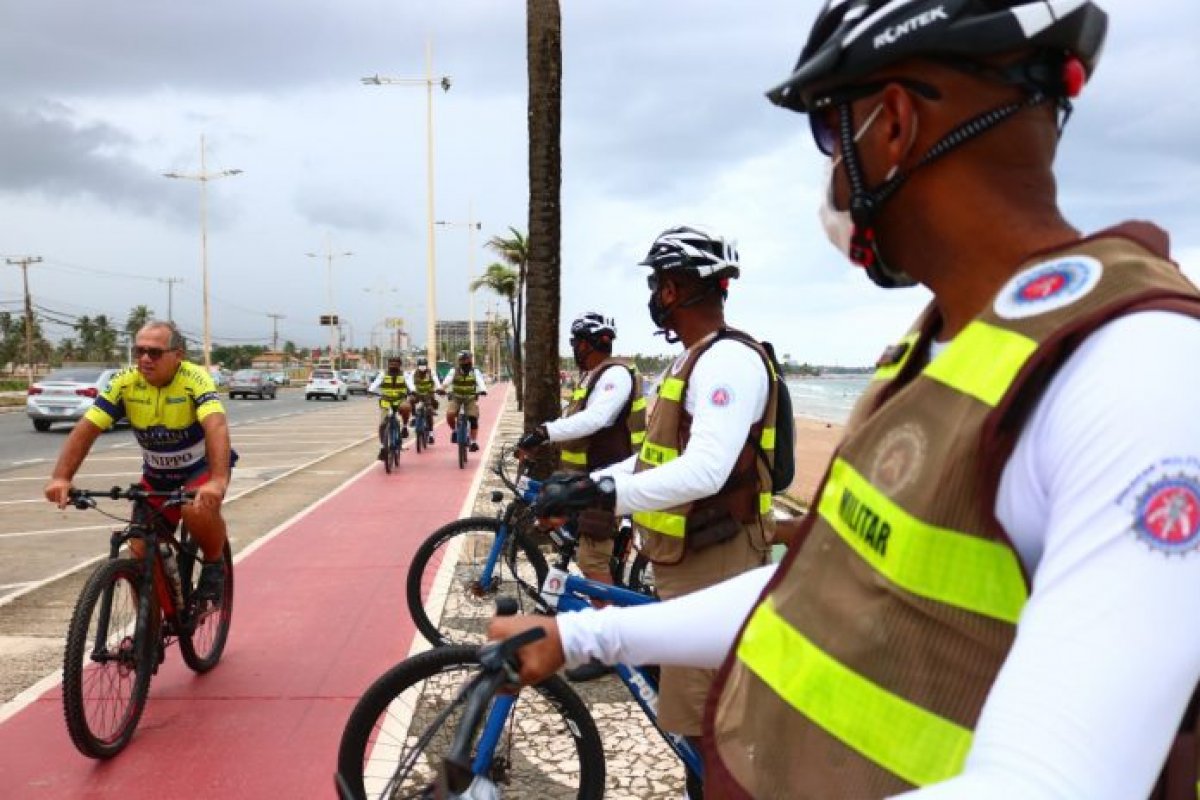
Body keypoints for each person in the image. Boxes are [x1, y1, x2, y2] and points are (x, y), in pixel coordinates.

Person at [490, 2, 1200, 798]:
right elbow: (824, 588)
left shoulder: (1137, 371)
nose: (830, 172)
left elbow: (1054, 781)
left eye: (831, 132)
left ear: (891, 124)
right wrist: (585, 634)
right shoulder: (940, 348)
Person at [519, 225, 783, 754]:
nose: (654, 296)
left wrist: (603, 497)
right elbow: (653, 457)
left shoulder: (728, 361)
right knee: (693, 721)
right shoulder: (690, 359)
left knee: (708, 729)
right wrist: (591, 482)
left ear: (672, 290)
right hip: (686, 553)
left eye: (658, 283)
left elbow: (707, 469)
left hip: (717, 555)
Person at [44, 321, 234, 607]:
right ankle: (149, 636)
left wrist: (217, 481)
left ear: (178, 355)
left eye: (155, 353)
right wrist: (61, 477)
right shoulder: (124, 383)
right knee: (140, 547)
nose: (145, 359)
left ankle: (213, 563)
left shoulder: (195, 379)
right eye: (140, 351)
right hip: (158, 473)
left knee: (194, 507)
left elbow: (216, 426)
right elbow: (87, 428)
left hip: (200, 467)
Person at [517, 312, 647, 589]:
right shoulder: (594, 377)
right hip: (586, 479)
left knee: (592, 561)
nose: (574, 348)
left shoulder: (615, 374)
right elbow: (575, 421)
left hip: (606, 479)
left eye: (575, 342)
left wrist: (544, 432)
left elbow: (596, 419)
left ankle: (611, 626)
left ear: (586, 344)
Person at [437, 349, 488, 452]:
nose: (464, 362)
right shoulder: (453, 371)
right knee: (450, 415)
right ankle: (455, 430)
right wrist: (442, 388)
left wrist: (483, 390)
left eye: (467, 359)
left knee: (473, 418)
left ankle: (473, 442)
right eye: (462, 360)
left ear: (470, 360)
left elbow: (480, 382)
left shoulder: (475, 371)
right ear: (459, 361)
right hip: (456, 397)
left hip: (470, 398)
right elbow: (447, 381)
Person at [368, 355, 410, 460]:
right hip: (386, 401)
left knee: (406, 408)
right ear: (388, 365)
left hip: (400, 400)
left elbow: (410, 384)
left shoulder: (404, 375)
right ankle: (383, 447)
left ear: (400, 365)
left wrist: (413, 391)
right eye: (391, 363)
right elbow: (376, 383)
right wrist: (370, 390)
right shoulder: (383, 374)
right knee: (383, 424)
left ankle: (404, 427)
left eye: (396, 364)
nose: (393, 365)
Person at [406, 355, 438, 445]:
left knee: (429, 412)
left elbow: (436, 380)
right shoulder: (414, 373)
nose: (422, 367)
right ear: (418, 365)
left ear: (427, 365)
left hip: (428, 394)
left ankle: (431, 434)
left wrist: (438, 388)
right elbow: (409, 381)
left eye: (424, 365)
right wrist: (413, 390)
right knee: (410, 400)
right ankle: (413, 416)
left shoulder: (431, 372)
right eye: (420, 365)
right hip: (417, 393)